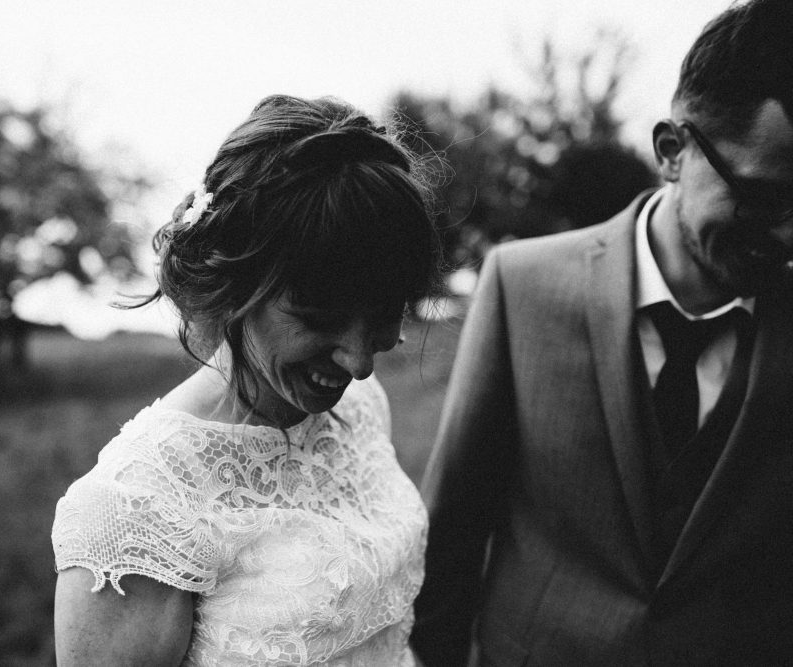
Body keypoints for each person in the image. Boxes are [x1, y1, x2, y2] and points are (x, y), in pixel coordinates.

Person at [412, 1, 793, 664]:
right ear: (673, 151)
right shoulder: (521, 286)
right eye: (763, 198)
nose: (787, 233)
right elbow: (450, 541)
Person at [52, 94, 444, 665]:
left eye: (384, 314)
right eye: (319, 317)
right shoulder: (136, 510)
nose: (360, 364)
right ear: (237, 285)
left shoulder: (362, 406)